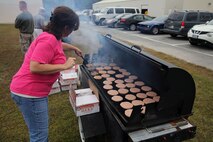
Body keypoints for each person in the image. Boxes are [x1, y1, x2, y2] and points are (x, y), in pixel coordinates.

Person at [10, 6, 81, 142]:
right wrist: (64, 65)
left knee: (39, 133)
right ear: (66, 27)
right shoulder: (48, 39)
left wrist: (73, 48)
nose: (72, 32)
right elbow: (35, 67)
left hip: (31, 92)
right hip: (29, 92)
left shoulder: (52, 37)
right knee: (39, 137)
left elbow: (57, 45)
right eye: (72, 28)